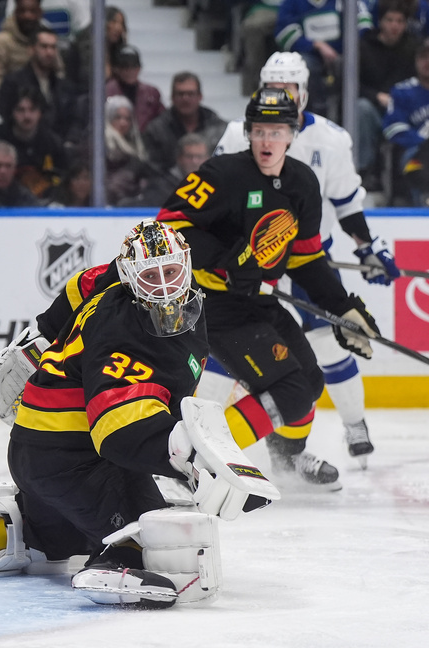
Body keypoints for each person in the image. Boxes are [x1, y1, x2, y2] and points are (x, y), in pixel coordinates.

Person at [0, 221, 251, 608]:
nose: (165, 286)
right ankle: (114, 564)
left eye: (170, 272)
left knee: (50, 539)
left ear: (185, 263)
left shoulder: (113, 282)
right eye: (152, 275)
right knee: (148, 529)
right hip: (74, 458)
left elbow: (79, 286)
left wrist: (40, 338)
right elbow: (116, 428)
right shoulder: (124, 328)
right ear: (133, 276)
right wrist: (190, 460)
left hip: (38, 452)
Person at [157, 88, 381, 489]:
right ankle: (196, 461)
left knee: (309, 383)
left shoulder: (303, 183)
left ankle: (286, 459)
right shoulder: (222, 174)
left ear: (292, 134)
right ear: (248, 133)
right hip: (215, 304)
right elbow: (169, 226)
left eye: (276, 131)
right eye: (259, 131)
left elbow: (307, 259)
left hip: (260, 301)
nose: (267, 140)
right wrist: (228, 256)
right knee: (291, 389)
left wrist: (342, 308)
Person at [213, 53, 401, 468]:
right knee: (228, 350)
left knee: (324, 345)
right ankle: (203, 444)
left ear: (304, 91)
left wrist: (366, 246)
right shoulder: (236, 134)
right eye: (274, 89)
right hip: (247, 264)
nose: (282, 97)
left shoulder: (331, 140)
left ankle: (351, 426)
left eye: (289, 89)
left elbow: (347, 203)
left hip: (303, 258)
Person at [275, 0, 374, 121]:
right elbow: (284, 34)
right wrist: (316, 45)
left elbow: (364, 24)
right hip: (310, 55)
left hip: (345, 54)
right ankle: (316, 116)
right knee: (305, 68)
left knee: (352, 64)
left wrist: (348, 48)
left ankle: (346, 116)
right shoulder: (293, 3)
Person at [359, 0, 419, 187]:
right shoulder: (364, 46)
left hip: (406, 112)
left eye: (400, 21)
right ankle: (364, 172)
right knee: (361, 108)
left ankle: (409, 182)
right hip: (376, 109)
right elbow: (351, 84)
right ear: (380, 21)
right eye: (390, 20)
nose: (395, 26)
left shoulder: (414, 48)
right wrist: (377, 96)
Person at [0, 28, 76, 139]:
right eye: (44, 47)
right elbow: (6, 119)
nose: (49, 52)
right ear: (31, 50)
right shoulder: (13, 83)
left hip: (58, 146)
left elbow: (72, 121)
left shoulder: (65, 86)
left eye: (53, 47)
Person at [142, 72, 226, 175]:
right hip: (169, 187)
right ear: (172, 97)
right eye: (180, 94)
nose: (185, 99)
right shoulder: (157, 129)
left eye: (190, 94)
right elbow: (153, 170)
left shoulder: (218, 127)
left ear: (200, 96)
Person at [0, 86, 68, 200]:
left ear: (40, 113)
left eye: (32, 109)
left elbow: (63, 178)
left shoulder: (53, 143)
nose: (27, 116)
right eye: (20, 110)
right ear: (12, 112)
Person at [384, 37, 429, 204]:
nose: (427, 62)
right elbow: (392, 128)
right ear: (416, 60)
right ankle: (423, 207)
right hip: (416, 152)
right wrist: (423, 142)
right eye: (423, 57)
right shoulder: (403, 91)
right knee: (418, 167)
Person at [0, 0, 51, 99]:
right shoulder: (0, 42)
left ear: (40, 12)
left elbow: (59, 72)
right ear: (15, 12)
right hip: (12, 100)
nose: (27, 16)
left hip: (45, 97)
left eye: (32, 11)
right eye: (22, 11)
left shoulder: (47, 41)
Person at [127, 132, 208, 207]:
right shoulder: (161, 187)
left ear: (207, 158)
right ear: (179, 158)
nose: (195, 161)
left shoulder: (213, 185)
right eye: (189, 156)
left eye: (199, 156)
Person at [65, 5, 127, 96]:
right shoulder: (86, 43)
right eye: (113, 21)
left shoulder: (115, 49)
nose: (118, 28)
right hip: (83, 96)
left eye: (121, 24)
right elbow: (89, 77)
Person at [103, 94, 150, 206]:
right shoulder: (102, 145)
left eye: (127, 119)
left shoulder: (137, 144)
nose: (123, 123)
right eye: (118, 117)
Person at [105, 44, 164, 133]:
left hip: (145, 142)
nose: (130, 71)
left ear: (139, 68)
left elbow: (161, 121)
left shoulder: (152, 94)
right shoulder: (105, 91)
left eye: (134, 67)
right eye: (125, 67)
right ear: (116, 69)